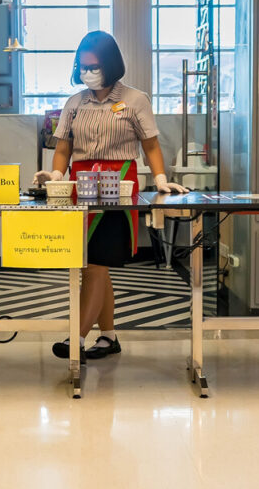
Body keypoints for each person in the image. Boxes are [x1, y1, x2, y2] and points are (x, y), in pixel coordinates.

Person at [34, 30, 187, 362]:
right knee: (93, 265)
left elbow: (150, 145)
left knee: (96, 264)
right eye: (83, 66)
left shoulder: (135, 100)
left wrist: (161, 179)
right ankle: (108, 336)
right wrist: (56, 175)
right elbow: (63, 148)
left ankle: (76, 338)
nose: (88, 72)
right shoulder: (75, 103)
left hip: (118, 188)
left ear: (111, 64)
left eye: (95, 66)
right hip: (81, 187)